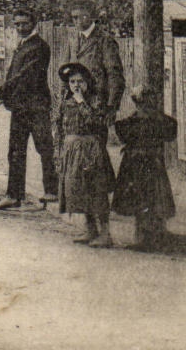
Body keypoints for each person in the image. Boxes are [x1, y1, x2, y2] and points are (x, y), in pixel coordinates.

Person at [0, 11, 59, 210]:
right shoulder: (22, 45)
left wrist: (2, 89)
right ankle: (14, 195)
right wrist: (6, 92)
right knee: (15, 151)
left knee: (44, 147)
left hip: (37, 105)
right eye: (17, 24)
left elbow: (26, 75)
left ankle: (52, 191)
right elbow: (14, 74)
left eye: (25, 23)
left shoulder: (40, 47)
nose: (21, 28)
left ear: (34, 23)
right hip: (20, 106)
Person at [56, 62, 115, 246]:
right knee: (79, 190)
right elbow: (59, 127)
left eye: (80, 81)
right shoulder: (66, 102)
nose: (76, 85)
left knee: (96, 190)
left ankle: (105, 233)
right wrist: (58, 152)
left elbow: (97, 123)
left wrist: (82, 102)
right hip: (71, 151)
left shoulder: (95, 100)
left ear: (87, 82)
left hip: (91, 150)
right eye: (72, 81)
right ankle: (90, 230)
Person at [112, 85, 178, 249]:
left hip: (143, 163)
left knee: (148, 200)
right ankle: (147, 236)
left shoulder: (144, 120)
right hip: (142, 163)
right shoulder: (148, 120)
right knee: (146, 200)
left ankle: (149, 237)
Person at [58, 4, 126, 125]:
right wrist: (61, 99)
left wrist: (111, 107)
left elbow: (114, 75)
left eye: (82, 16)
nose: (77, 21)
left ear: (92, 17)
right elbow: (64, 72)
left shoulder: (104, 40)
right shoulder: (72, 39)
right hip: (73, 103)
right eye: (74, 17)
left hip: (96, 104)